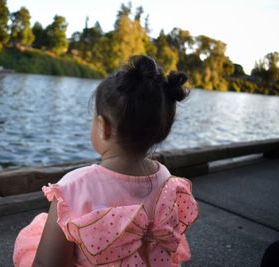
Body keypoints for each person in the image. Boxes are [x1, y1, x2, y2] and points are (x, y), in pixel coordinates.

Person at [13, 55, 199, 267]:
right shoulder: (168, 180)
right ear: (161, 132)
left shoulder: (74, 187)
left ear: (103, 127)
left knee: (36, 234)